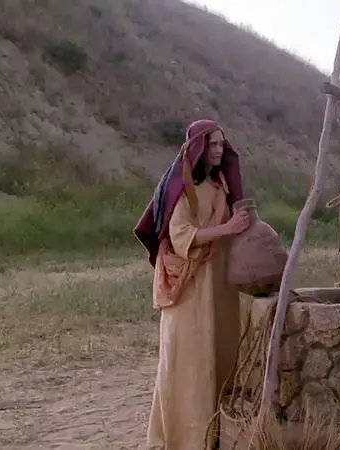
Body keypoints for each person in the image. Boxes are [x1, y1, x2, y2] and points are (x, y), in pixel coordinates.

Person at [134, 119, 248, 449]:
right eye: (213, 144)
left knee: (220, 350)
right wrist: (228, 229)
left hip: (219, 280)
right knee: (188, 359)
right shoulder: (184, 187)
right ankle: (186, 438)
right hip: (190, 284)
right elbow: (180, 234)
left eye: (222, 144)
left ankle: (216, 433)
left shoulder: (220, 183)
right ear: (199, 148)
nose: (219, 150)